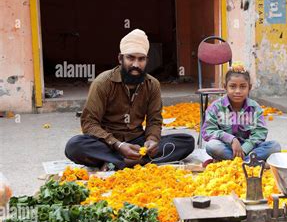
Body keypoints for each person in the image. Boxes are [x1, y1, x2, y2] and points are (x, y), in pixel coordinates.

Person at [65, 29, 195, 170]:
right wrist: (118, 145)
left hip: (136, 143)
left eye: (141, 59)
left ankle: (119, 162)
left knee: (187, 141)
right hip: (107, 143)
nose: (136, 64)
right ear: (120, 59)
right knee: (74, 146)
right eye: (130, 58)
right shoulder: (103, 82)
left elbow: (154, 120)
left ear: (147, 60)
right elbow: (89, 123)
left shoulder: (152, 85)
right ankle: (134, 161)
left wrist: (152, 140)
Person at [201, 62, 281, 162]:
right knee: (212, 146)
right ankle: (249, 162)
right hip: (227, 148)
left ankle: (240, 161)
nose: (238, 91)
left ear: (249, 88)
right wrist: (231, 139)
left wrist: (244, 149)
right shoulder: (216, 107)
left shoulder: (254, 107)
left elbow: (260, 133)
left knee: (274, 146)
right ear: (225, 87)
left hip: (249, 149)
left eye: (243, 87)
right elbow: (208, 131)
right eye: (233, 86)